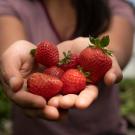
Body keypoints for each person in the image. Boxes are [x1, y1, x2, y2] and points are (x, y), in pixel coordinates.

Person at [0, 0, 134, 135]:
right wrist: (13, 58)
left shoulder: (114, 4)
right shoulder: (11, 4)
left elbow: (117, 48)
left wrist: (102, 52)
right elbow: (9, 47)